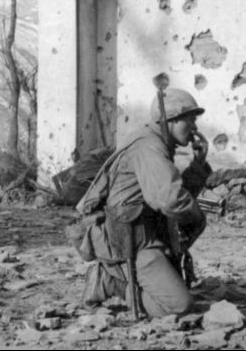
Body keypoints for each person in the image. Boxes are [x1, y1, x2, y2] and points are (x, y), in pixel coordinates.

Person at [75, 88, 212, 317]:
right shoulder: (148, 146)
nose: (195, 128)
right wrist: (196, 217)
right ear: (171, 120)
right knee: (179, 305)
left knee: (176, 288)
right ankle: (110, 281)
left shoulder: (158, 142)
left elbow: (172, 193)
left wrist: (198, 165)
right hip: (133, 242)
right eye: (190, 120)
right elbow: (170, 200)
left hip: (148, 235)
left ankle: (128, 276)